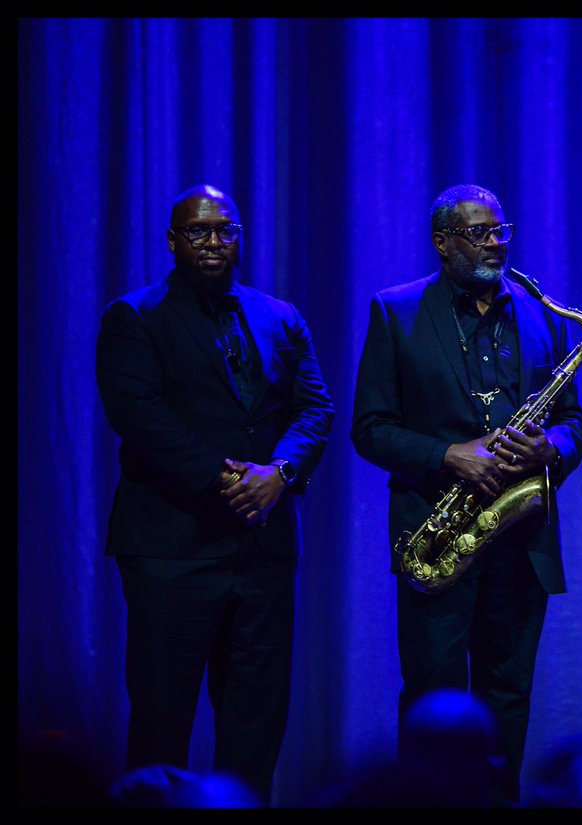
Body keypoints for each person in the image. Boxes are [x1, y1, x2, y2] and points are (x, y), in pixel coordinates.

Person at [96, 184, 335, 802]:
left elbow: (315, 409)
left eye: (225, 230)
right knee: (161, 720)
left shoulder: (280, 314)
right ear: (173, 241)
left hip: (262, 551)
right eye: (198, 231)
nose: (213, 242)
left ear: (239, 239)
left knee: (256, 721)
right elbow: (139, 415)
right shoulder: (134, 317)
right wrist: (227, 479)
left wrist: (277, 474)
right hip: (171, 548)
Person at [350, 184, 582, 804]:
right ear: (442, 242)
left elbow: (576, 420)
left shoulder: (541, 312)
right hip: (440, 534)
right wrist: (448, 455)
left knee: (508, 696)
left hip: (521, 537)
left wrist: (551, 449)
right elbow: (369, 429)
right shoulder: (394, 312)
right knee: (434, 698)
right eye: (480, 233)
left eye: (501, 230)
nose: (495, 244)